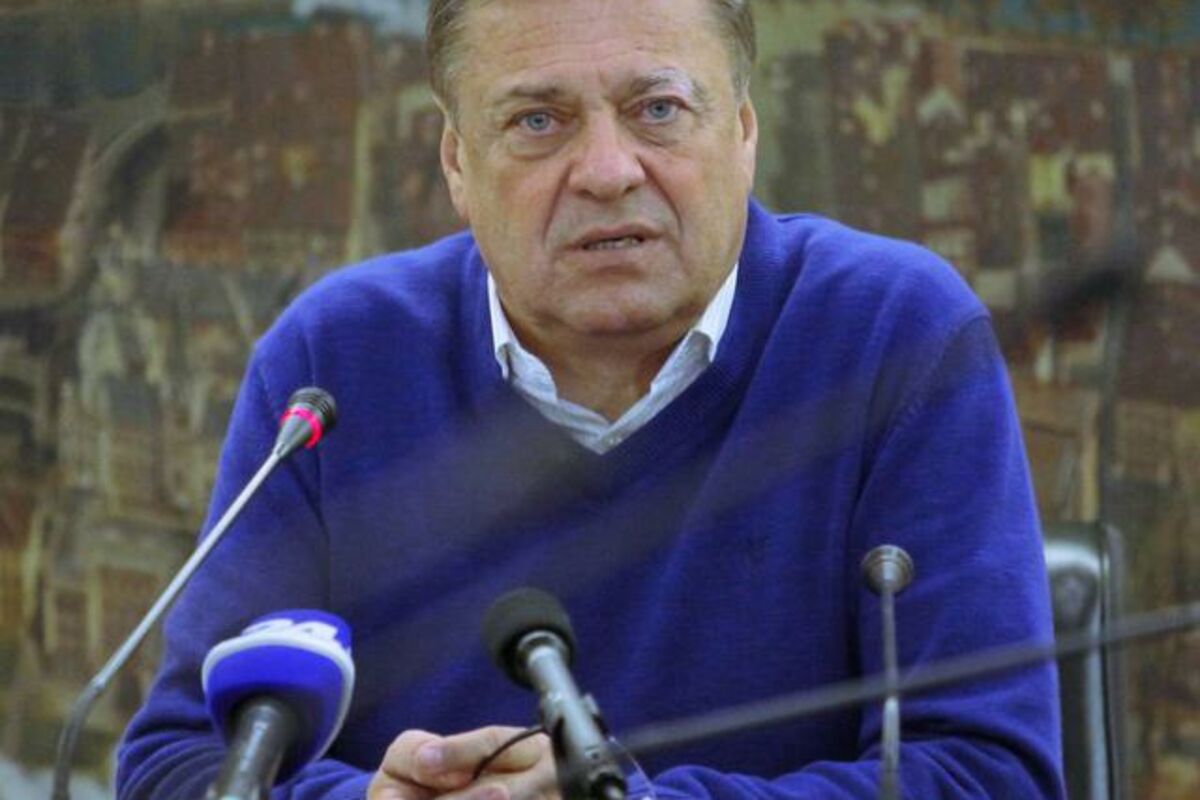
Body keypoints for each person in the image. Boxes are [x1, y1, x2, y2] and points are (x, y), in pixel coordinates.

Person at [117, 0, 1065, 798]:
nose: (609, 171)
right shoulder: (333, 363)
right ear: (457, 164)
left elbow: (992, 775)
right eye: (539, 121)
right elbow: (177, 764)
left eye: (658, 110)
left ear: (742, 133)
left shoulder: (895, 336)